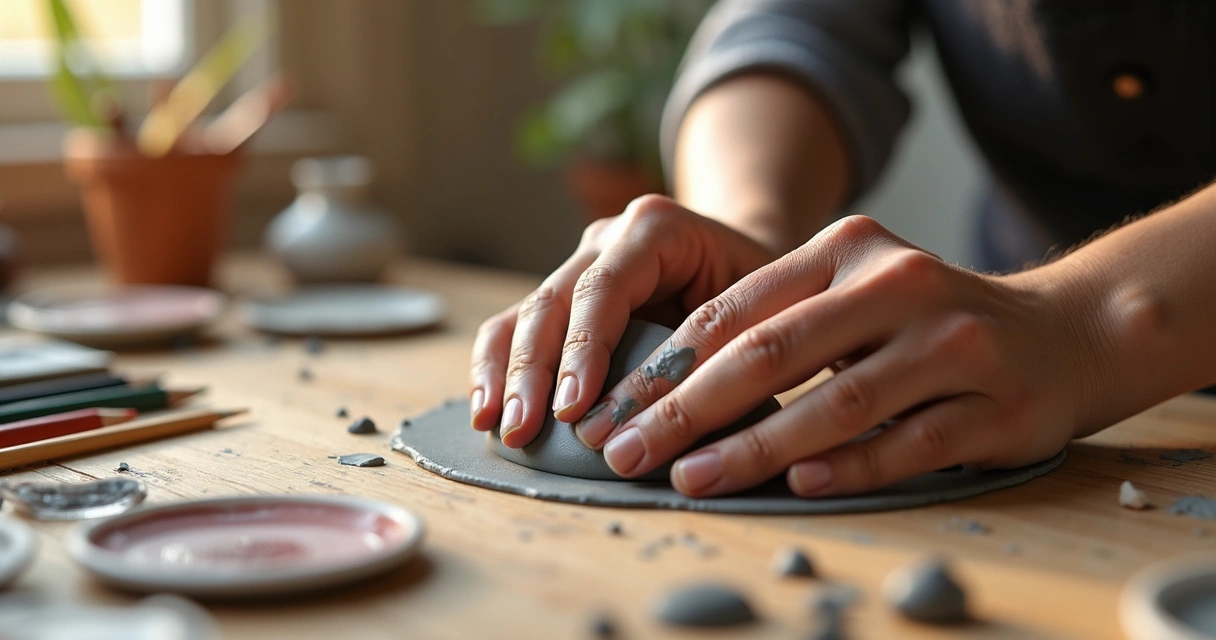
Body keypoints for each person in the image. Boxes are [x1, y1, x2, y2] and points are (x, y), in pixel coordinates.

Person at [468, 1, 1216, 499]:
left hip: (1035, 360)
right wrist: (749, 241)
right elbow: (803, 23)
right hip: (1005, 381)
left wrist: (1089, 323)